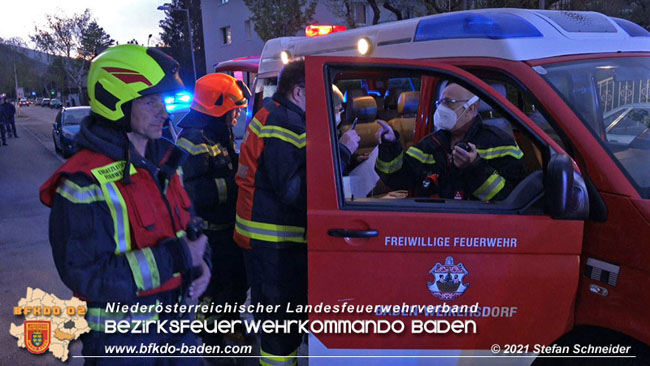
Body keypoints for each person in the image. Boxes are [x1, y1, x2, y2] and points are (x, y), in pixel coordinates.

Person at [39, 44, 209, 365]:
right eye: (150, 101)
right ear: (114, 101)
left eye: (163, 100)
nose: (164, 112)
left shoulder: (166, 161)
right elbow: (85, 274)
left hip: (180, 334)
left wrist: (203, 263)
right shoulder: (82, 182)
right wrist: (179, 256)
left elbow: (190, 229)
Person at [175, 73, 249, 345]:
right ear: (218, 109)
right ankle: (213, 340)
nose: (237, 116)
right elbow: (189, 192)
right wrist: (234, 184)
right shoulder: (193, 141)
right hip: (207, 237)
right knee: (215, 290)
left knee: (235, 284)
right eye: (234, 110)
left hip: (225, 231)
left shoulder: (216, 133)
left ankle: (229, 325)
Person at [375, 83, 527, 201]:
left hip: (482, 232)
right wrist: (390, 145)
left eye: (449, 102)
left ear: (471, 108)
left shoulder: (501, 144)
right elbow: (396, 178)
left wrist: (475, 167)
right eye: (440, 102)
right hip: (437, 230)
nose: (441, 108)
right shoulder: (431, 143)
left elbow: (512, 199)